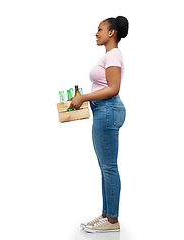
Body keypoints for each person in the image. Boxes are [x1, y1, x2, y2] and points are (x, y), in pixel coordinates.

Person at [69, 16, 129, 233]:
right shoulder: (109, 55)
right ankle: (106, 214)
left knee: (109, 168)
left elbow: (114, 88)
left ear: (111, 32)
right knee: (106, 168)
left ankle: (113, 221)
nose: (96, 33)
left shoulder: (113, 55)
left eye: (100, 29)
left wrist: (84, 98)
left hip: (108, 109)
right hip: (104, 111)